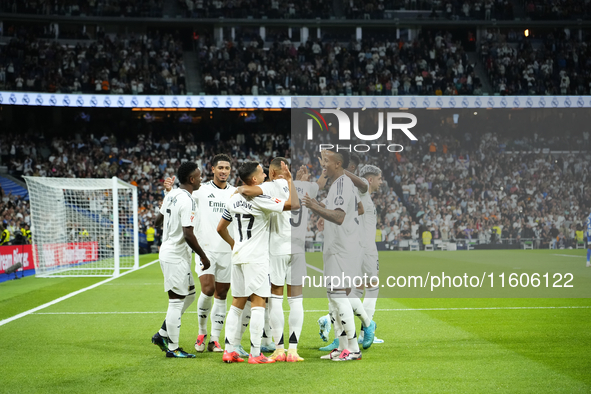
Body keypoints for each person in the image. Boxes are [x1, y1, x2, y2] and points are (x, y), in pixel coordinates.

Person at [217, 161, 296, 364]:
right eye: (261, 174)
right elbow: (292, 205)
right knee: (259, 303)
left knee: (236, 304)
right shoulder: (260, 199)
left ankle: (229, 350)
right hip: (257, 258)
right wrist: (289, 180)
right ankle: (255, 354)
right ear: (253, 179)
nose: (265, 176)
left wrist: (235, 244)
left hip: (238, 256)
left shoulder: (232, 199)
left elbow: (220, 228)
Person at [303, 150, 375, 361]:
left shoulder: (343, 183)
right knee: (334, 298)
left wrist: (316, 207)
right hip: (337, 246)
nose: (323, 165)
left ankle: (353, 349)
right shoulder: (338, 184)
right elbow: (354, 209)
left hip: (343, 248)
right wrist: (321, 207)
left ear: (338, 164)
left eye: (327, 161)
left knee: (338, 296)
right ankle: (342, 346)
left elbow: (340, 216)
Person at [235, 157, 303, 362]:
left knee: (275, 299)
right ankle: (293, 350)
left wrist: (237, 189)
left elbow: (247, 190)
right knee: (296, 300)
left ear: (272, 173)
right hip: (298, 248)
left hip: (277, 248)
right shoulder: (295, 187)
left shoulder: (268, 186)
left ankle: (279, 348)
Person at [151, 161, 211, 358]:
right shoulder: (187, 200)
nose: (201, 178)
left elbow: (157, 221)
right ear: (191, 179)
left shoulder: (173, 194)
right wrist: (203, 256)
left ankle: (162, 334)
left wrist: (166, 202)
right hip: (175, 255)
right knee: (176, 302)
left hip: (175, 253)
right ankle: (173, 348)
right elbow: (188, 234)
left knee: (190, 295)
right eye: (199, 176)